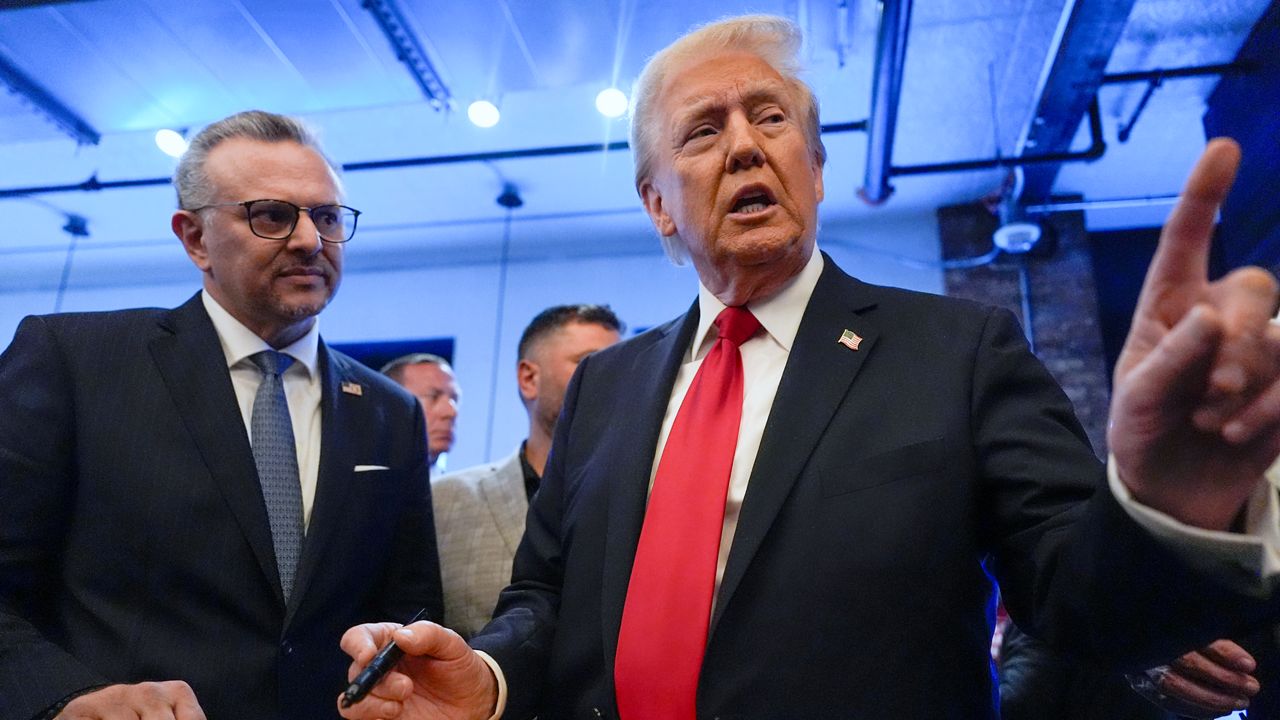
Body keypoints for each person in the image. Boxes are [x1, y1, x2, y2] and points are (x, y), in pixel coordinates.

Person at [337, 16, 1280, 720]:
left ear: (816, 170)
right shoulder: (608, 387)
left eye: (772, 118)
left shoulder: (961, 350)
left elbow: (1081, 606)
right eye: (703, 131)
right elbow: (545, 598)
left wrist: (1163, 504)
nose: (745, 142)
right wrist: (490, 677)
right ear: (659, 206)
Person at [0, 110, 442, 720]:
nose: (310, 240)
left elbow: (412, 608)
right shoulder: (74, 361)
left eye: (328, 216)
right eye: (272, 216)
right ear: (195, 238)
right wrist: (68, 699)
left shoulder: (391, 412)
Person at [432, 304, 623, 637]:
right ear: (529, 378)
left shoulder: (643, 501)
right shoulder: (445, 501)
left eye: (622, 366)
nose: (616, 378)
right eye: (590, 362)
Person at [382, 354, 461, 475]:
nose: (451, 412)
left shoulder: (459, 489)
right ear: (390, 405)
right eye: (433, 397)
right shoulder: (354, 483)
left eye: (455, 399)